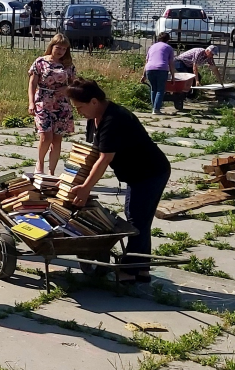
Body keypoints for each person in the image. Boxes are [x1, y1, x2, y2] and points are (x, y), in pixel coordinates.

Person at [66, 78, 170, 284]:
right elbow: (94, 153)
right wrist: (73, 177)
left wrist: (86, 188)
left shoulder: (114, 119)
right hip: (140, 173)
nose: (78, 112)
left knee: (136, 221)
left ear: (94, 101)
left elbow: (105, 158)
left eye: (80, 107)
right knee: (140, 220)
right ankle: (141, 270)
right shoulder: (95, 118)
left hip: (149, 173)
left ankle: (130, 271)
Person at [28, 33, 76, 175]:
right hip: (43, 101)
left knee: (57, 140)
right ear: (52, 46)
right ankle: (40, 164)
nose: (61, 51)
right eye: (58, 47)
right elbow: (32, 83)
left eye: (64, 49)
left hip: (62, 105)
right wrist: (31, 103)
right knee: (46, 136)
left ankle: (51, 172)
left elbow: (75, 85)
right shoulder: (40, 62)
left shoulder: (68, 65)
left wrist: (67, 89)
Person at [141, 33, 176, 115]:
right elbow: (171, 63)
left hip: (150, 69)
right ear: (168, 40)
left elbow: (147, 62)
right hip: (162, 69)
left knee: (153, 89)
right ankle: (156, 109)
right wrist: (173, 77)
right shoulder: (169, 48)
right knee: (160, 89)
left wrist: (144, 75)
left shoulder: (152, 47)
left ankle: (154, 108)